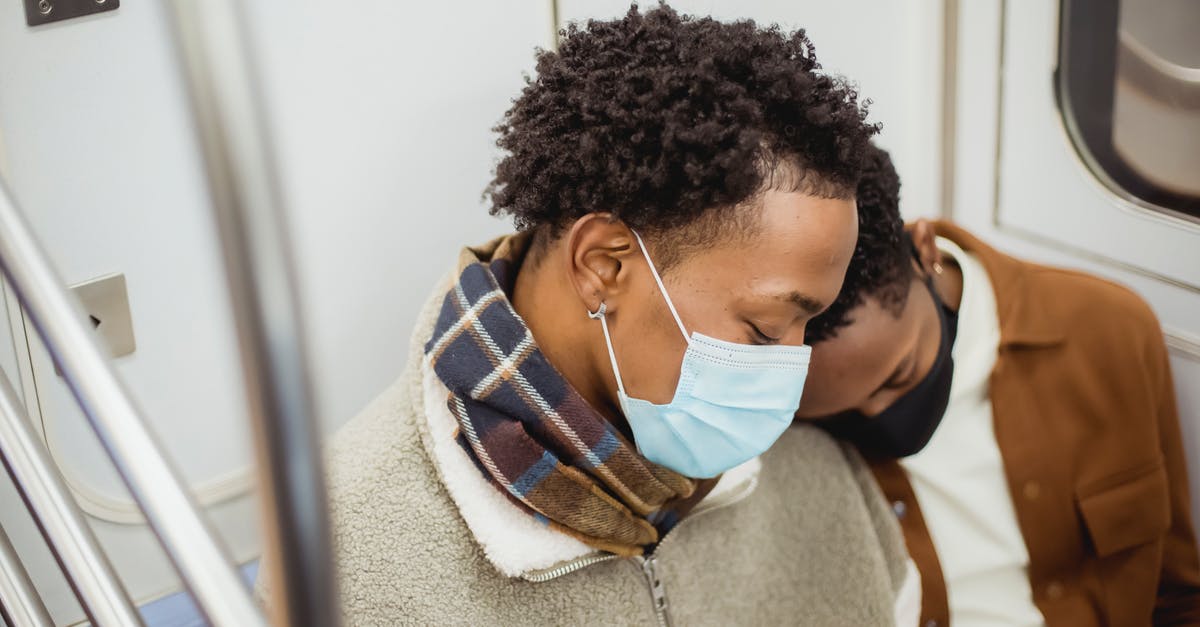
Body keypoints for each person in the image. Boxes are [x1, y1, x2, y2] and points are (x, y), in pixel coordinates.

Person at [263, 6, 921, 625]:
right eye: (764, 327)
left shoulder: (820, 469)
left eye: (811, 328)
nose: (792, 375)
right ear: (604, 265)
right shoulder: (340, 549)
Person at [797, 143, 1200, 626]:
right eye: (839, 414)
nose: (879, 415)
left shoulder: (1109, 332)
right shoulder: (774, 426)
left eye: (900, 374)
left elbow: (1178, 595)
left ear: (925, 254)